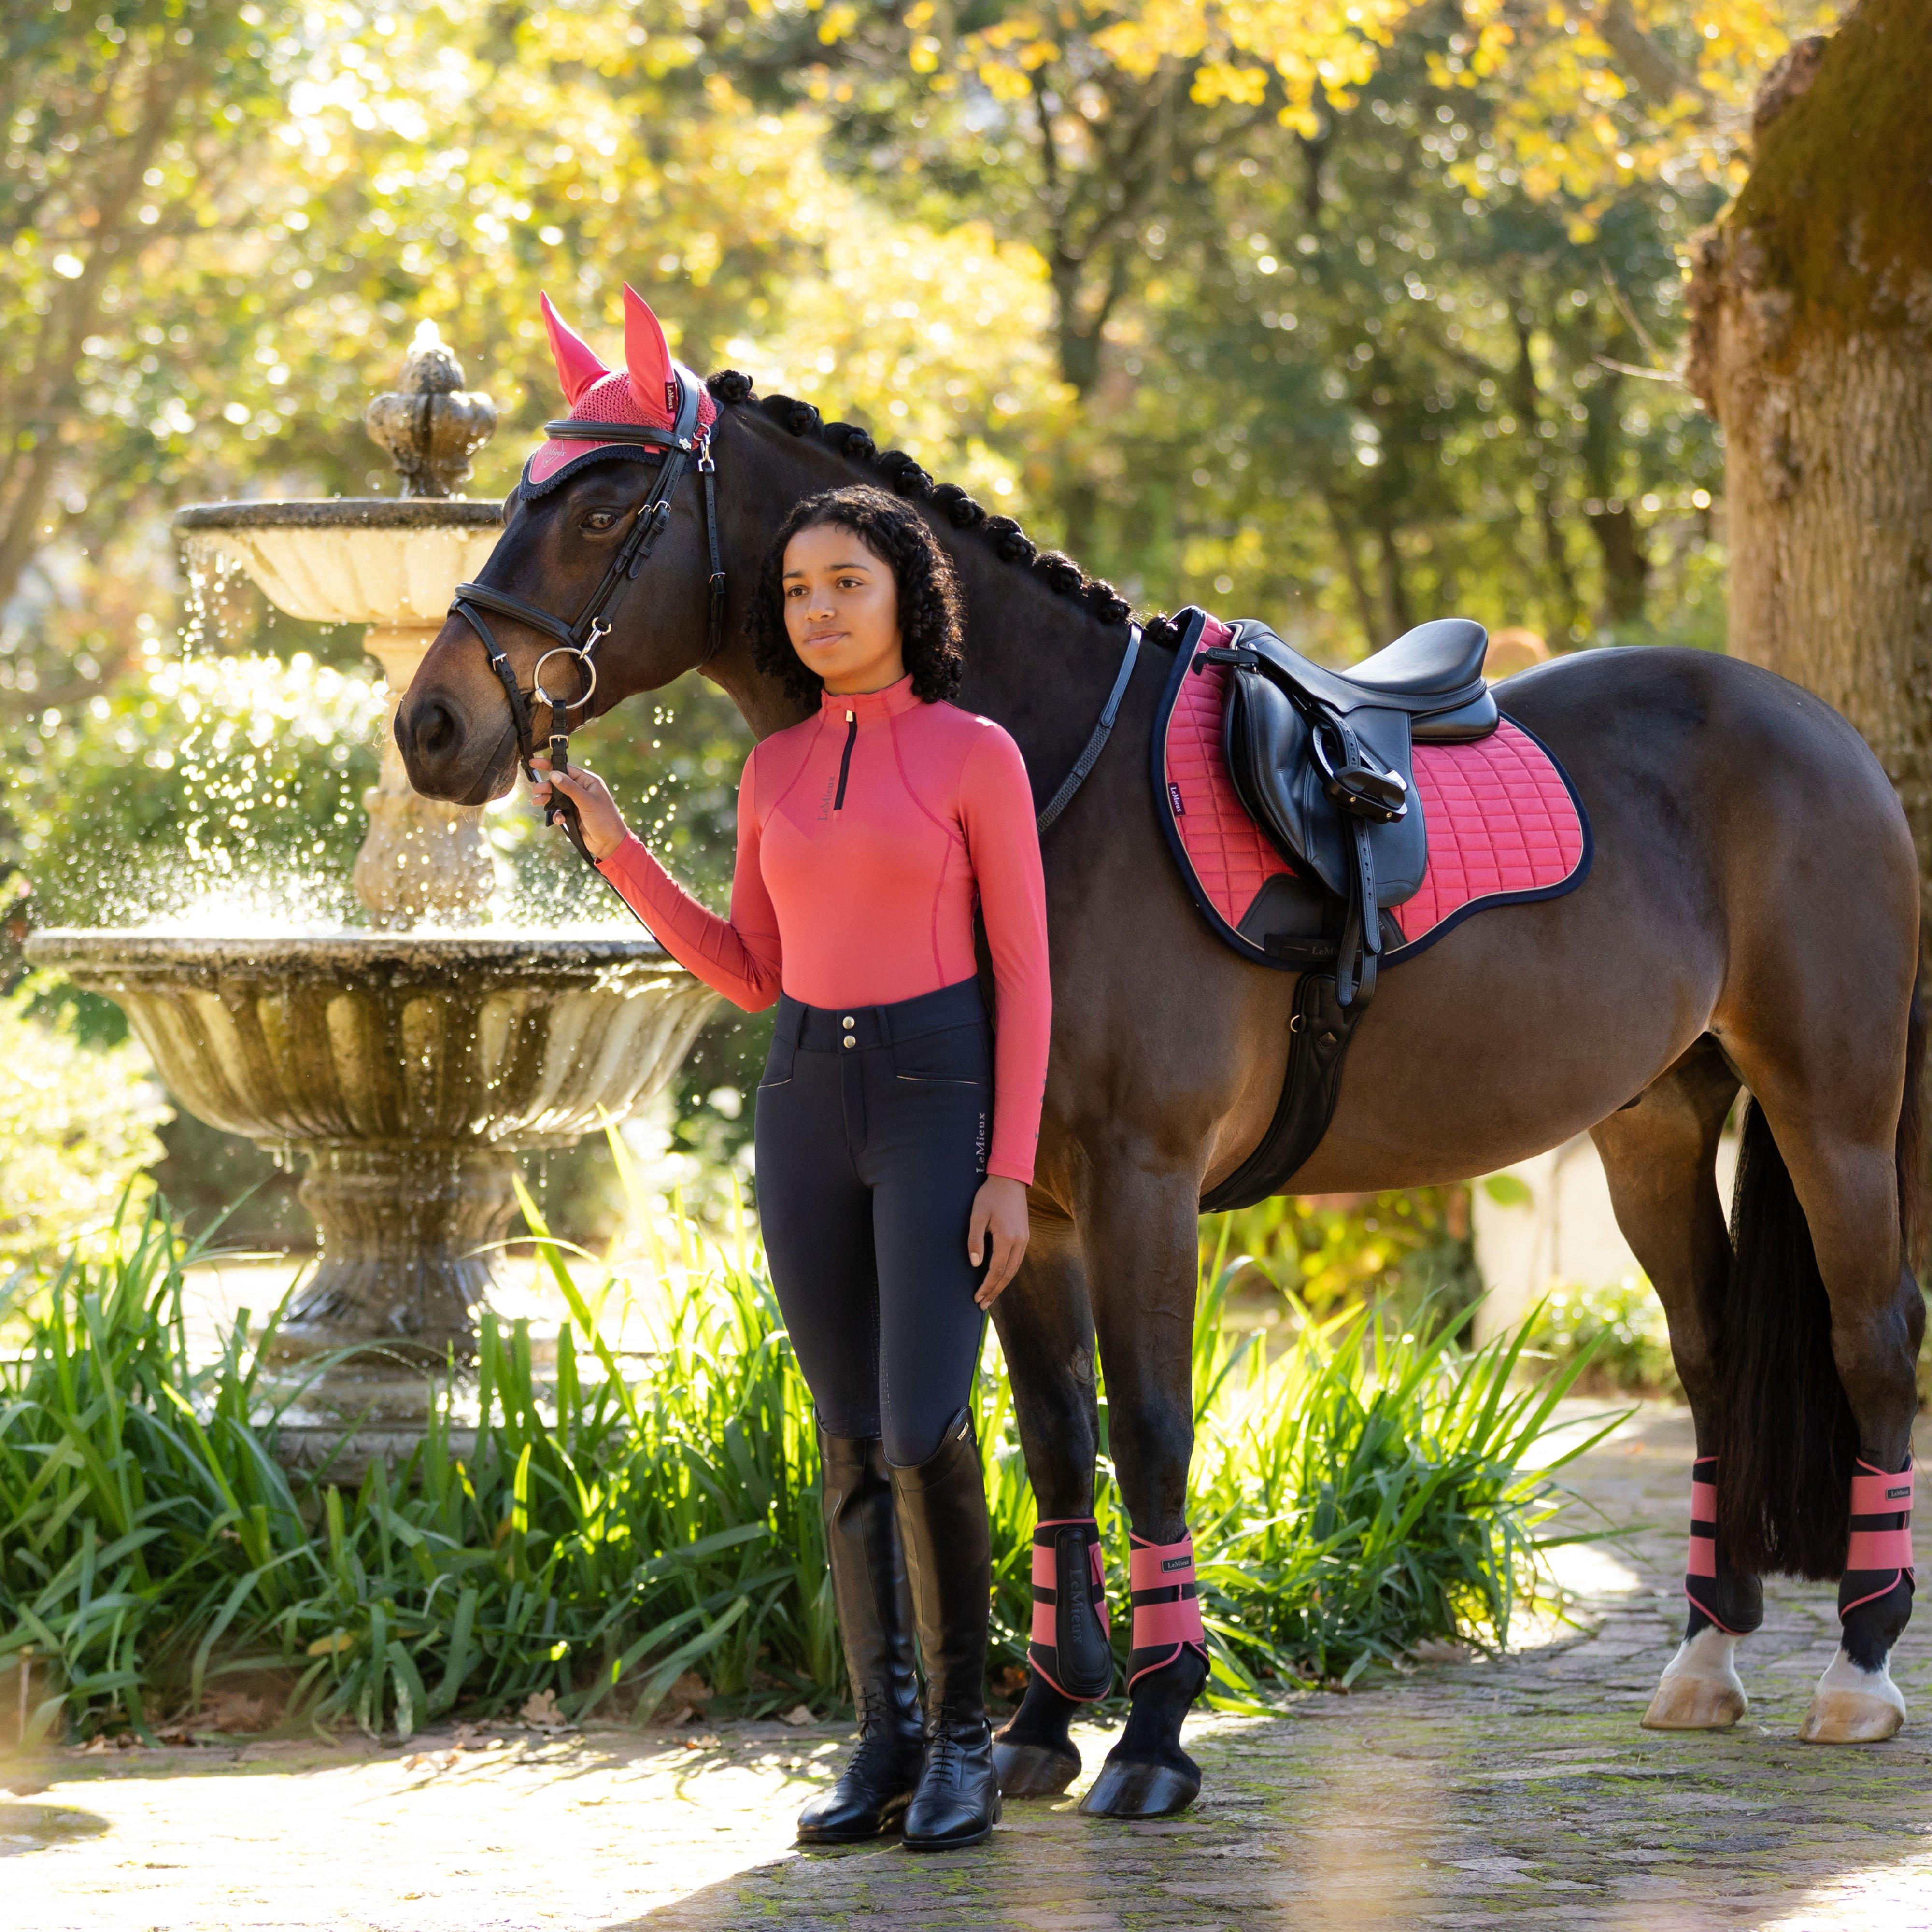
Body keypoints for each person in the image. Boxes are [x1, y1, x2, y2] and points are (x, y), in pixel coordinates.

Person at [533, 484, 1050, 1852]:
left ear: (905, 596)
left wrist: (1012, 1168)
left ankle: (959, 1745)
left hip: (941, 1097)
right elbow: (751, 975)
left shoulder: (973, 754)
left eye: (847, 584)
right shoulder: (771, 769)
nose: (818, 610)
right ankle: (879, 1741)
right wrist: (618, 848)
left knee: (923, 1421)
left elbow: (1031, 980)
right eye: (800, 591)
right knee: (845, 1436)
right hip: (806, 1100)